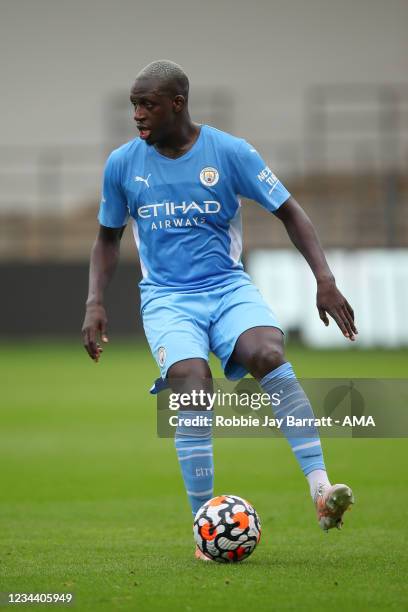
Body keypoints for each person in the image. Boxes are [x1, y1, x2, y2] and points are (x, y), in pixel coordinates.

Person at [82, 60, 356, 561]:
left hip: (228, 287)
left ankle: (321, 489)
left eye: (148, 105)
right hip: (167, 297)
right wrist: (94, 301)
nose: (137, 115)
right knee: (191, 382)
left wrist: (325, 278)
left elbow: (291, 212)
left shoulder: (229, 152)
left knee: (269, 354)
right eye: (133, 105)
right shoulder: (123, 163)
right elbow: (106, 238)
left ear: (178, 103)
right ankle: (204, 526)